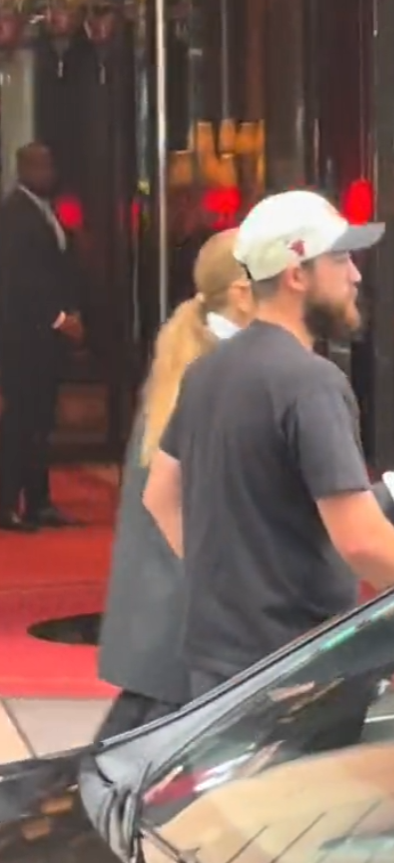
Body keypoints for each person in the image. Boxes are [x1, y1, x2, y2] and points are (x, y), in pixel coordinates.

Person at [144, 190, 394, 703]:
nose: (356, 275)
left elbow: (160, 495)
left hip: (215, 661)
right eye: (342, 258)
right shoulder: (310, 382)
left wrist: (227, 588)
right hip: (296, 668)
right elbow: (361, 540)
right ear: (296, 274)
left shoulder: (206, 372)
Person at [95, 229, 254, 740]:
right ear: (242, 291)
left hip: (167, 609)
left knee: (129, 750)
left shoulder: (189, 356)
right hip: (194, 616)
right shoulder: (226, 373)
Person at [0, 143, 84, 532]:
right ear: (25, 168)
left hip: (43, 339)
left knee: (40, 422)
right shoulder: (15, 213)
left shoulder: (43, 208)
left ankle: (37, 501)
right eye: (42, 164)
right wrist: (58, 317)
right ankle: (7, 504)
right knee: (21, 423)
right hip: (24, 338)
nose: (49, 171)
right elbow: (20, 280)